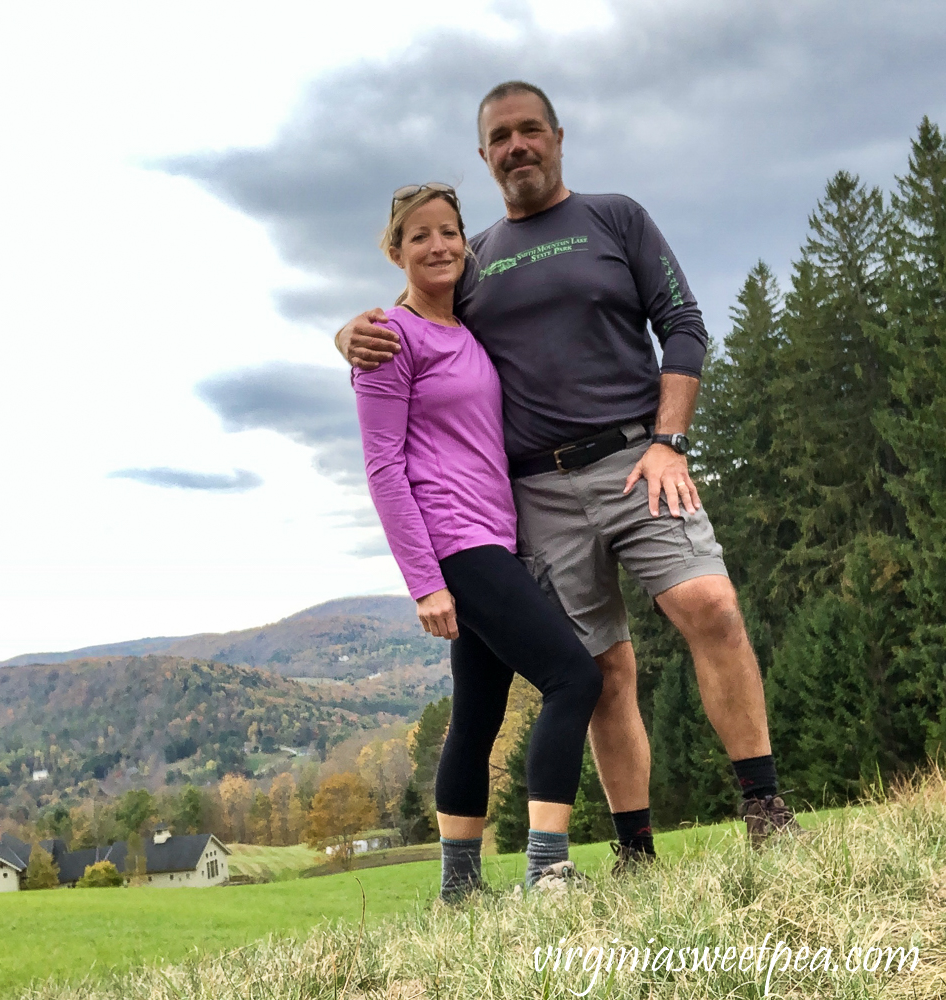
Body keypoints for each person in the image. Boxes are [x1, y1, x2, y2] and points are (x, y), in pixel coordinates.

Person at [338, 81, 802, 857]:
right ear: (485, 156)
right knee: (602, 670)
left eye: (529, 130)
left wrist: (669, 440)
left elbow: (684, 326)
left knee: (712, 604)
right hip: (538, 493)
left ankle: (764, 806)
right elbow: (416, 318)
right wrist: (350, 333)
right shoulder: (474, 255)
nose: (516, 146)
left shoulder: (616, 218)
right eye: (499, 137)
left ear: (557, 136)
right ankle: (634, 848)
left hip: (640, 458)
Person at [352, 182, 603, 899]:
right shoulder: (388, 338)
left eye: (449, 232)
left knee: (478, 715)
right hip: (458, 545)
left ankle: (459, 889)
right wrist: (425, 581)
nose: (438, 246)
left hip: (494, 535)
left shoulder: (461, 329)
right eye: (420, 236)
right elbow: (383, 468)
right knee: (574, 678)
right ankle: (549, 869)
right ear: (395, 251)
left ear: (466, 242)